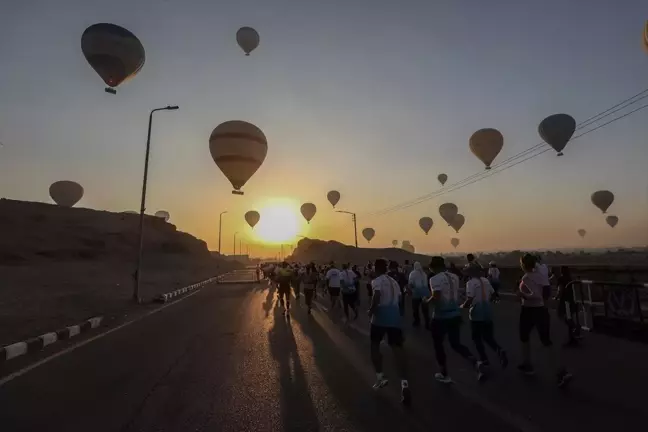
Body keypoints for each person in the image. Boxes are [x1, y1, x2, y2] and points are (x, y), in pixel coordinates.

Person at [517, 254, 572, 388]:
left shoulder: (526, 277)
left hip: (529, 310)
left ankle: (528, 364)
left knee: (524, 336)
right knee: (546, 341)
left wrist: (522, 294)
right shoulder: (542, 276)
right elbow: (546, 292)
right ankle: (560, 371)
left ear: (523, 265)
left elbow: (535, 295)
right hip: (541, 310)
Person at [425, 256, 482, 383]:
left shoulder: (434, 279)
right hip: (455, 314)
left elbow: (436, 296)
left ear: (433, 267)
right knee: (456, 344)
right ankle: (474, 360)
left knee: (438, 345)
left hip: (440, 316)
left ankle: (444, 373)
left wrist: (427, 302)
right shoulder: (454, 277)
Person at [368, 258, 411, 406]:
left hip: (380, 315)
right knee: (397, 348)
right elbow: (399, 299)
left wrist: (371, 310)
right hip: (394, 315)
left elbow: (377, 295)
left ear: (375, 268)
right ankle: (404, 383)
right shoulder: (394, 282)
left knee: (374, 345)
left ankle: (380, 377)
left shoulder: (377, 281)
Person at [463, 265, 508, 373]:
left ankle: (484, 359)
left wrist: (463, 306)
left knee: (476, 338)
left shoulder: (470, 283)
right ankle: (499, 350)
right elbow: (493, 294)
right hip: (487, 310)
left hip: (477, 311)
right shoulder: (485, 281)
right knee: (488, 337)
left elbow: (469, 299)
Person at [555, 266, 581, 346]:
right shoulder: (570, 278)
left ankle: (574, 328)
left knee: (562, 315)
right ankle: (572, 337)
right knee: (569, 317)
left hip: (565, 301)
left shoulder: (561, 279)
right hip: (571, 300)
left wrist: (556, 297)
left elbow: (560, 289)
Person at [408, 262, 431, 329]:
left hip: (416, 292)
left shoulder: (412, 273)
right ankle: (427, 323)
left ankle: (417, 321)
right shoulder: (424, 273)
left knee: (415, 308)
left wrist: (410, 290)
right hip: (425, 293)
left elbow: (411, 283)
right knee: (425, 309)